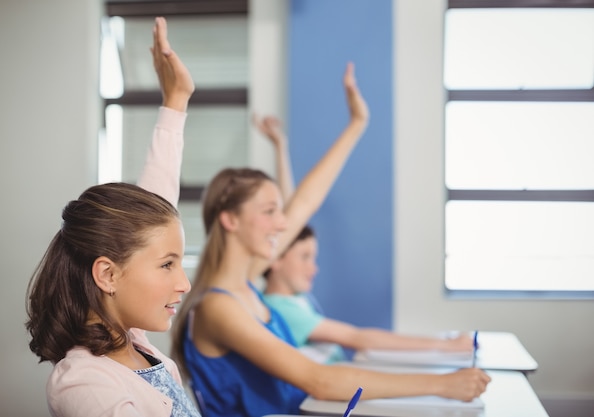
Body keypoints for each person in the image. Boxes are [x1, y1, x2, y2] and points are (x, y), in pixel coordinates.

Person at [171, 63, 491, 417]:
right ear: (230, 220)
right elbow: (319, 381)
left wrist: (357, 125)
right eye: (269, 212)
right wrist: (443, 385)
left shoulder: (244, 285)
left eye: (281, 213)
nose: (282, 224)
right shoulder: (218, 308)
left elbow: (306, 202)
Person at [25, 17, 200, 417]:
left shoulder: (130, 340)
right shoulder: (85, 385)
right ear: (107, 275)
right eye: (167, 265)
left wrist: (176, 101)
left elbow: (153, 207)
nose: (184, 282)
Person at [252, 114, 475, 364]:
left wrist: (280, 146)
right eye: (304, 257)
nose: (313, 268)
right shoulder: (281, 309)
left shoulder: (294, 300)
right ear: (275, 258)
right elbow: (356, 337)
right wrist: (444, 345)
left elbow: (293, 211)